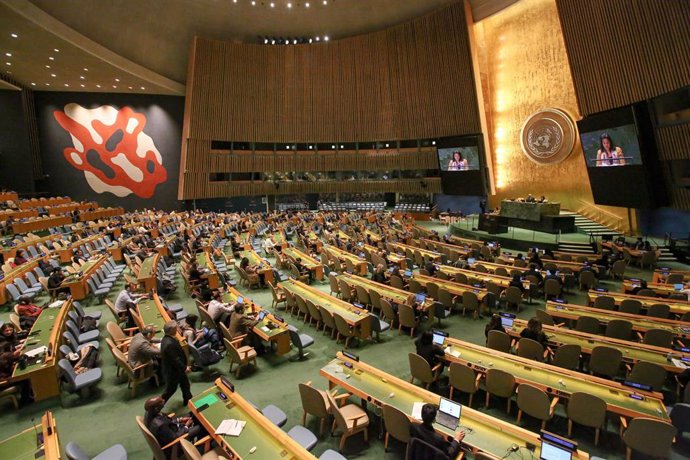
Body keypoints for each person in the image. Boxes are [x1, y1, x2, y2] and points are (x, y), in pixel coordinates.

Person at [160, 321, 192, 405]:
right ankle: (156, 407)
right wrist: (185, 368)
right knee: (170, 391)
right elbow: (176, 360)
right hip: (173, 371)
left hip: (176, 369)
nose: (177, 329)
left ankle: (188, 400)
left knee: (185, 384)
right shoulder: (169, 344)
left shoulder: (166, 338)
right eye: (175, 328)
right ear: (171, 330)